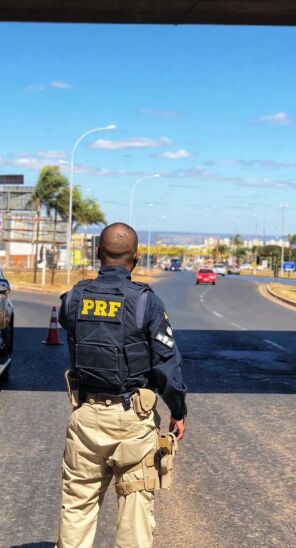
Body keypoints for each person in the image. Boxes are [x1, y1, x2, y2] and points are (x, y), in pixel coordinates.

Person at [57, 222, 187, 548]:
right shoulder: (145, 303)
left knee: (77, 506)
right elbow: (166, 363)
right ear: (137, 257)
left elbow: (69, 323)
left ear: (97, 253)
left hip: (85, 415)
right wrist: (178, 410)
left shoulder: (73, 297)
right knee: (135, 512)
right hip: (133, 420)